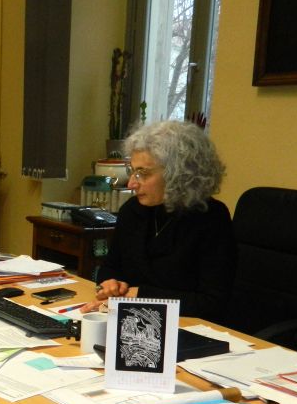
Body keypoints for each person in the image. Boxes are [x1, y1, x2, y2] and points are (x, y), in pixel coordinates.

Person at [82, 119, 236, 322]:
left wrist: (138, 295)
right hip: (135, 322)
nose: (132, 183)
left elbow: (211, 303)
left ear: (178, 174)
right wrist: (110, 283)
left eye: (142, 174)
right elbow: (111, 267)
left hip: (189, 329)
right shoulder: (132, 211)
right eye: (132, 171)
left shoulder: (211, 219)